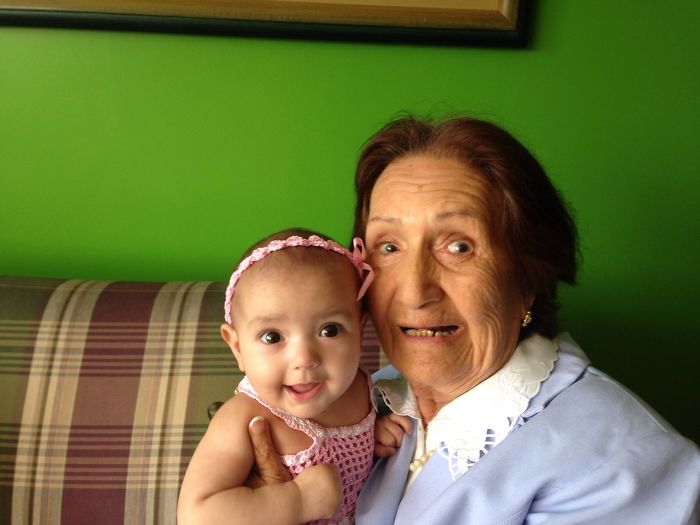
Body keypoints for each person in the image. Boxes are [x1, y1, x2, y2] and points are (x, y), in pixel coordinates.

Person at [246, 116, 700, 524]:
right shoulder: (355, 404)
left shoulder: (623, 466)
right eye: (389, 247)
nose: (415, 292)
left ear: (528, 275)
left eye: (458, 246)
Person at [177, 228, 377, 525]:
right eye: (272, 336)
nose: (304, 359)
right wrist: (299, 501)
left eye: (329, 330)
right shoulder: (244, 418)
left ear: (360, 332)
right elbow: (197, 514)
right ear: (237, 348)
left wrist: (379, 438)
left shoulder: (360, 387)